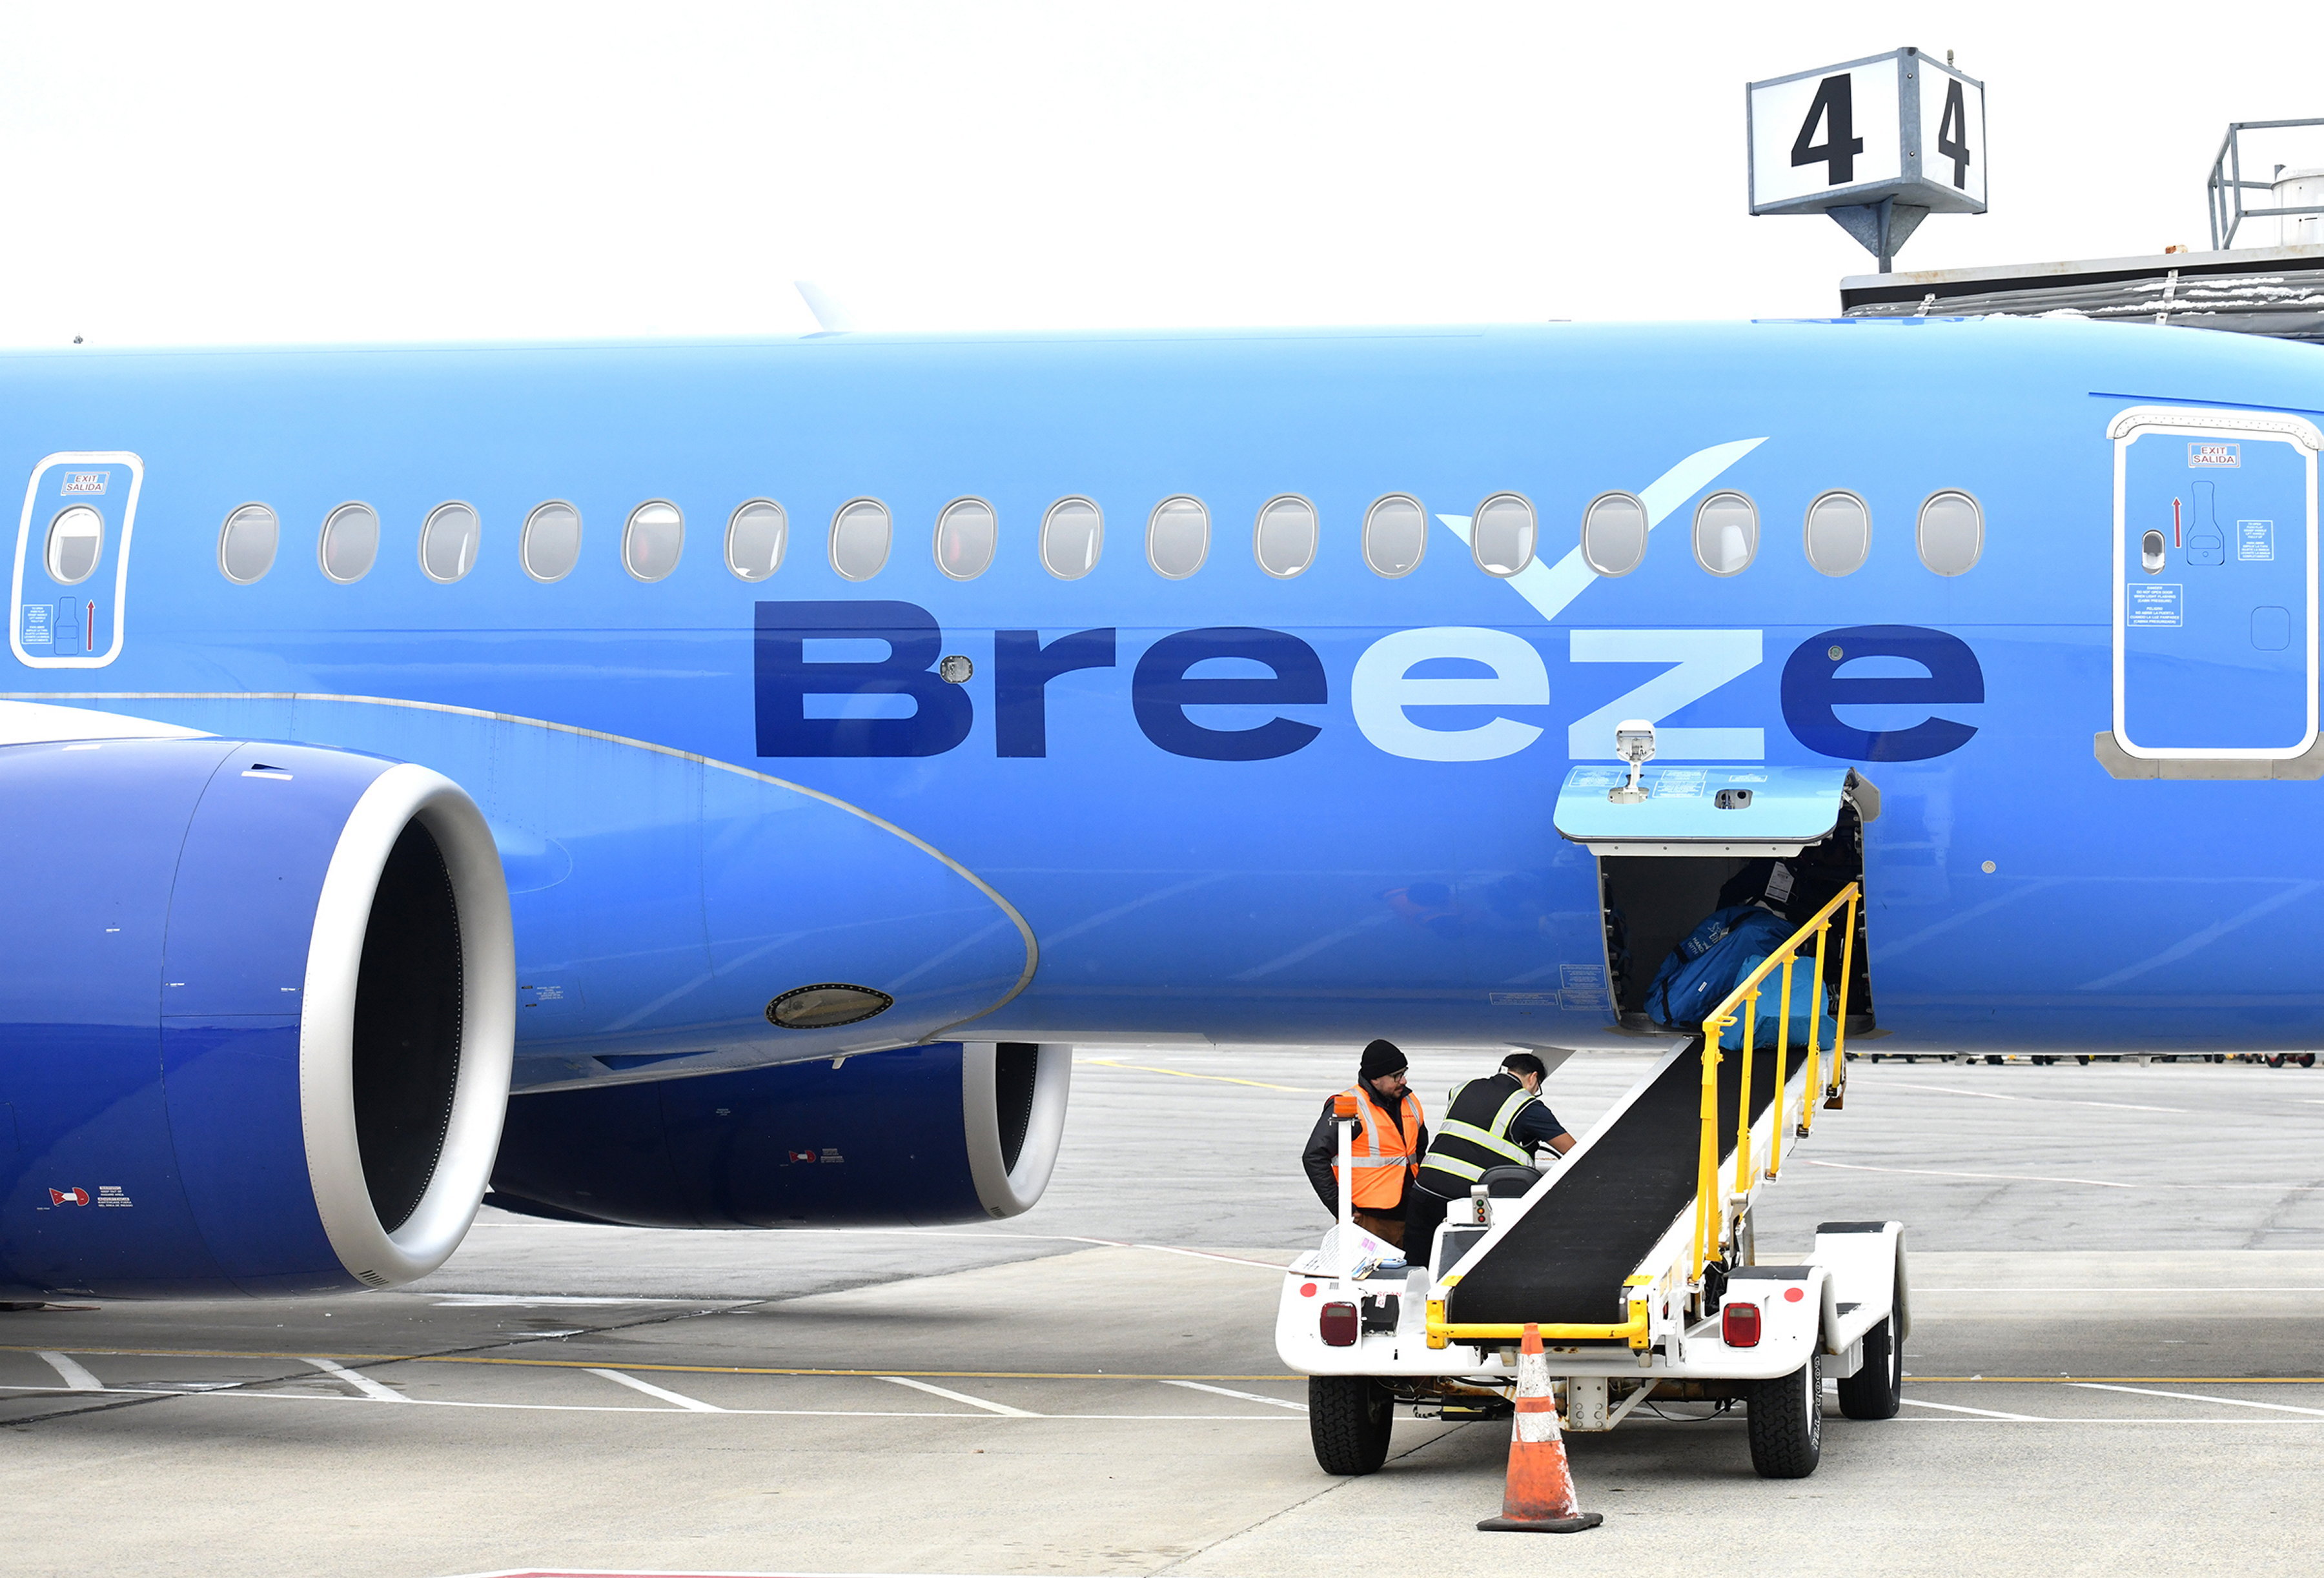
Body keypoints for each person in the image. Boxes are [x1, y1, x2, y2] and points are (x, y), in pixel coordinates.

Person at [1402, 1052, 1578, 1262]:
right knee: (1466, 1269)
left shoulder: (1463, 1088)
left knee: (1415, 1264)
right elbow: (1574, 1150)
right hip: (1466, 1200)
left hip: (1425, 1189)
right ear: (1532, 1078)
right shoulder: (1527, 1105)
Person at [1301, 1039, 1428, 1249]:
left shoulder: (1410, 1101)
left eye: (1404, 1073)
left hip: (1409, 1216)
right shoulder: (1349, 1105)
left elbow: (1419, 1152)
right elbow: (1314, 1156)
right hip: (1368, 1221)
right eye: (1396, 1076)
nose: (1403, 1081)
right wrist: (1340, 1207)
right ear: (1375, 1079)